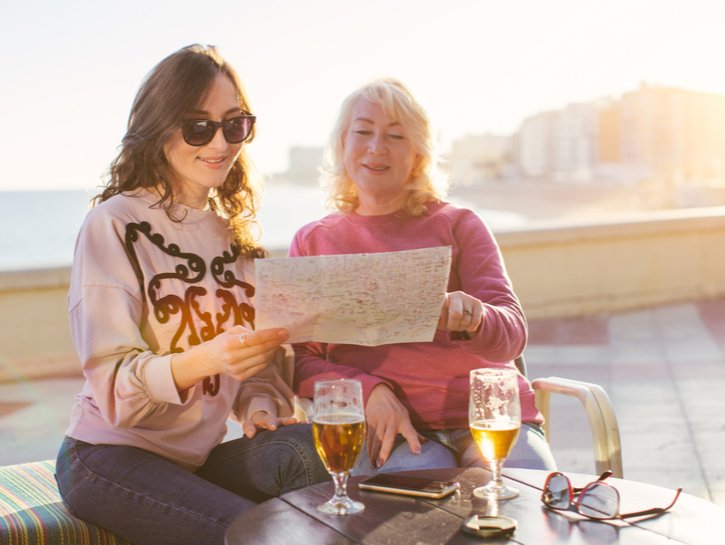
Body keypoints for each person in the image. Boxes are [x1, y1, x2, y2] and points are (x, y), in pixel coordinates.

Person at [54, 44, 328, 545]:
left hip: (194, 461)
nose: (220, 143)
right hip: (106, 457)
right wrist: (206, 359)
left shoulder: (236, 237)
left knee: (311, 449)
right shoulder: (114, 225)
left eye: (235, 125)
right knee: (263, 534)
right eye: (198, 126)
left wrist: (258, 402)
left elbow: (252, 374)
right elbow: (114, 387)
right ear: (159, 129)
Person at [289, 78, 557, 476]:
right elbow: (298, 360)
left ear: (417, 154)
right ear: (342, 144)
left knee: (524, 509)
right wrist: (368, 391)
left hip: (489, 416)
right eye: (363, 132)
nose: (377, 147)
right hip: (389, 427)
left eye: (395, 136)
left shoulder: (460, 225)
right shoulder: (313, 241)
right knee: (419, 517)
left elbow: (512, 335)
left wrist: (477, 317)